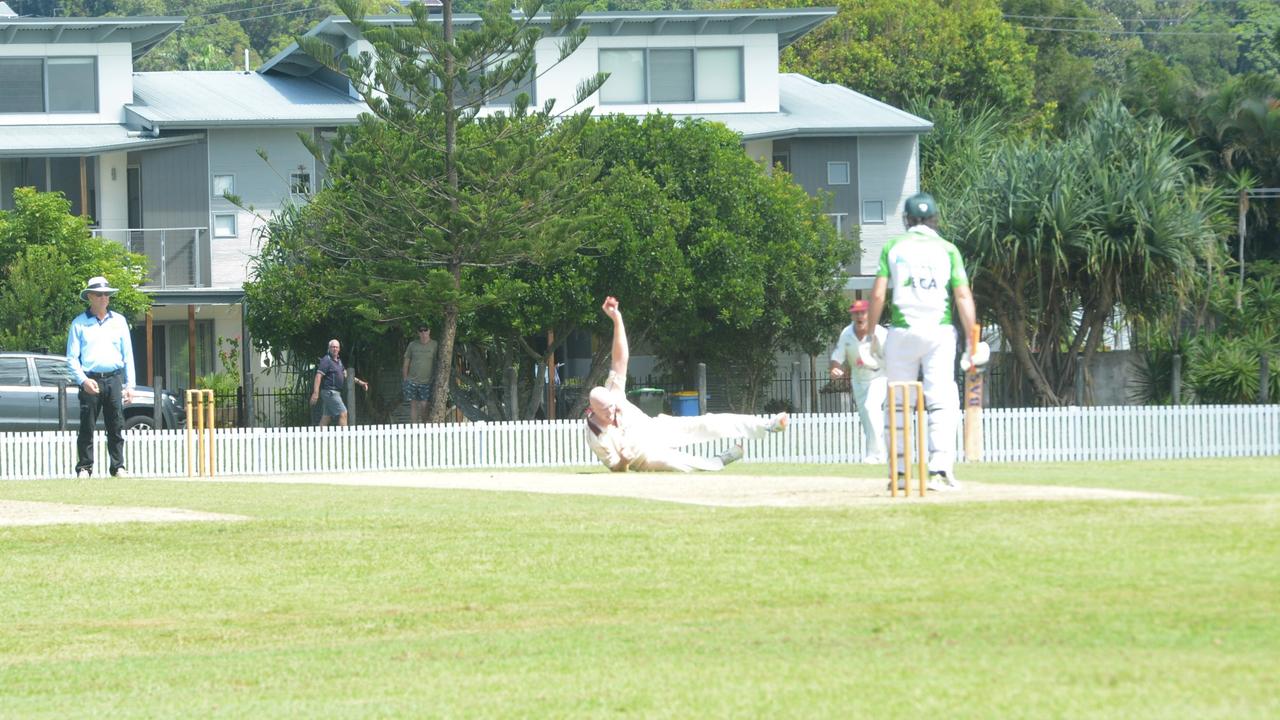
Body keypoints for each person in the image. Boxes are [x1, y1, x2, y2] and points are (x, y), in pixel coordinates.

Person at [585, 296, 789, 472]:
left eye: (612, 407)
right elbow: (615, 468)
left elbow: (621, 358)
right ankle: (720, 461)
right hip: (643, 458)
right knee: (676, 463)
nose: (612, 413)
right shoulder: (595, 434)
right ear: (593, 410)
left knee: (708, 423)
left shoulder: (613, 391)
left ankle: (767, 426)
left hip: (655, 428)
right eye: (606, 412)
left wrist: (617, 318)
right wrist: (625, 460)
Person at [865, 192, 978, 491]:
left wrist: (869, 336)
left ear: (906, 220)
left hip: (902, 332)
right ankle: (939, 471)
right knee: (941, 399)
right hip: (938, 331)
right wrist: (972, 339)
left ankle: (900, 475)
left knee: (898, 403)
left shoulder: (893, 246)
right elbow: (963, 295)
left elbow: (878, 295)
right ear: (935, 220)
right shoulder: (948, 249)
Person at [66, 276, 136, 478]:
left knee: (116, 424)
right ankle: (85, 467)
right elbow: (71, 358)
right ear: (90, 297)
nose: (104, 298)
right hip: (90, 379)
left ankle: (118, 467)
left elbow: (128, 356)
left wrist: (130, 385)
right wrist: (83, 380)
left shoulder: (120, 321)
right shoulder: (79, 324)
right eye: (99, 294)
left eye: (107, 294)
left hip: (114, 379)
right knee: (86, 425)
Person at [829, 299, 888, 464]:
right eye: (856, 313)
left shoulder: (880, 333)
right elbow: (837, 356)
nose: (860, 316)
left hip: (879, 376)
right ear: (852, 316)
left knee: (871, 407)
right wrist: (834, 369)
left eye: (863, 313)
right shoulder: (846, 334)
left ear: (869, 314)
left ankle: (879, 455)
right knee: (866, 417)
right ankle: (873, 454)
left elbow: (891, 355)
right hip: (858, 379)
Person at [310, 339, 369, 427]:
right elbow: (318, 376)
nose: (335, 349)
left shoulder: (339, 362)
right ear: (329, 348)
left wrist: (361, 383)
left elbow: (346, 375)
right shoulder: (326, 360)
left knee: (326, 417)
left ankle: (319, 439)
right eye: (333, 347)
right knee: (343, 413)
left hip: (334, 392)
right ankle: (344, 439)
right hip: (330, 392)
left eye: (337, 347)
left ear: (339, 349)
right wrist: (315, 393)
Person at [402, 324, 437, 423]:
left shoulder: (435, 345)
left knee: (424, 406)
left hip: (427, 382)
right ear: (418, 333)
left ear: (429, 331)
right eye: (421, 331)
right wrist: (405, 379)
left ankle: (424, 428)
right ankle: (414, 429)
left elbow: (439, 362)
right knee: (413, 406)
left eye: (425, 330)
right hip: (412, 381)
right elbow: (406, 363)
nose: (423, 333)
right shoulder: (412, 345)